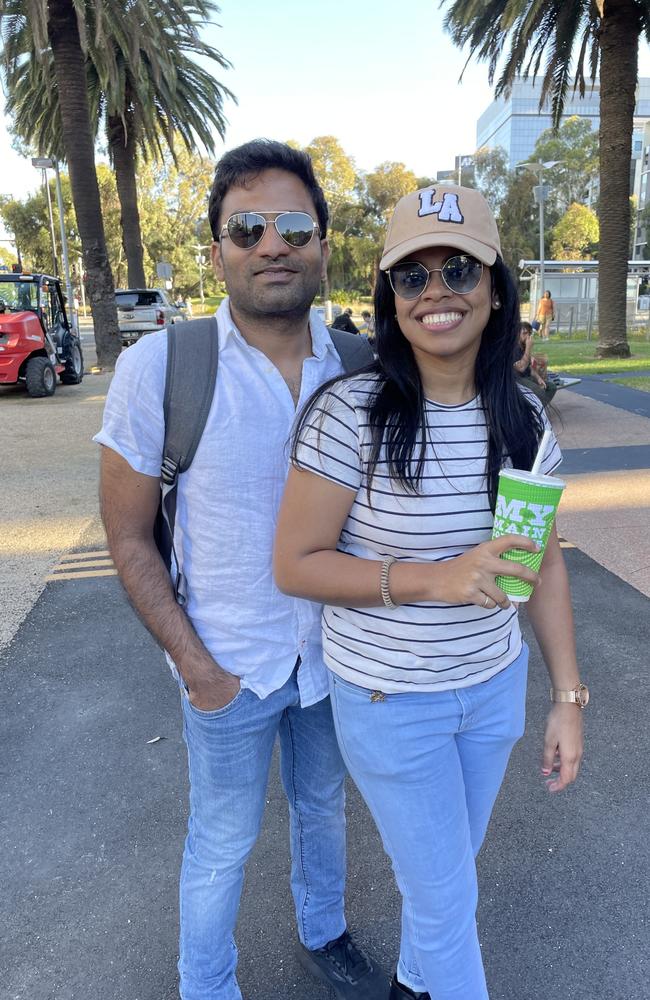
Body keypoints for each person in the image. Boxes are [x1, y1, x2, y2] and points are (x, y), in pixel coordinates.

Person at [274, 185, 586, 1000]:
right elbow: (297, 563)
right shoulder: (352, 415)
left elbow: (542, 565)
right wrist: (436, 580)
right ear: (388, 298)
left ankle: (412, 985)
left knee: (444, 882)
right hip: (390, 701)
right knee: (446, 900)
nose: (436, 291)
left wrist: (566, 697)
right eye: (411, 277)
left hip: (492, 691)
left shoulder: (523, 419)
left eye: (457, 268)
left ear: (494, 287)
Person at [95, 140, 385, 1000]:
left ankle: (324, 934)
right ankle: (207, 986)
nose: (273, 244)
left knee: (323, 808)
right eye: (247, 227)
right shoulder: (165, 368)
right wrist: (197, 669)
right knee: (220, 841)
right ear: (218, 248)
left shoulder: (364, 370)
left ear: (324, 243)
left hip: (334, 662)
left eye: (295, 225)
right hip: (227, 663)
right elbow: (128, 538)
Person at [514, 320, 556, 406]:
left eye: (529, 333)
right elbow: (521, 368)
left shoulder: (524, 347)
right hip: (516, 380)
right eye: (524, 333)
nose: (528, 336)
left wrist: (538, 378)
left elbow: (529, 367)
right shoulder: (512, 348)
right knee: (539, 392)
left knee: (551, 387)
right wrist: (529, 348)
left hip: (527, 377)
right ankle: (532, 410)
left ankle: (536, 410)